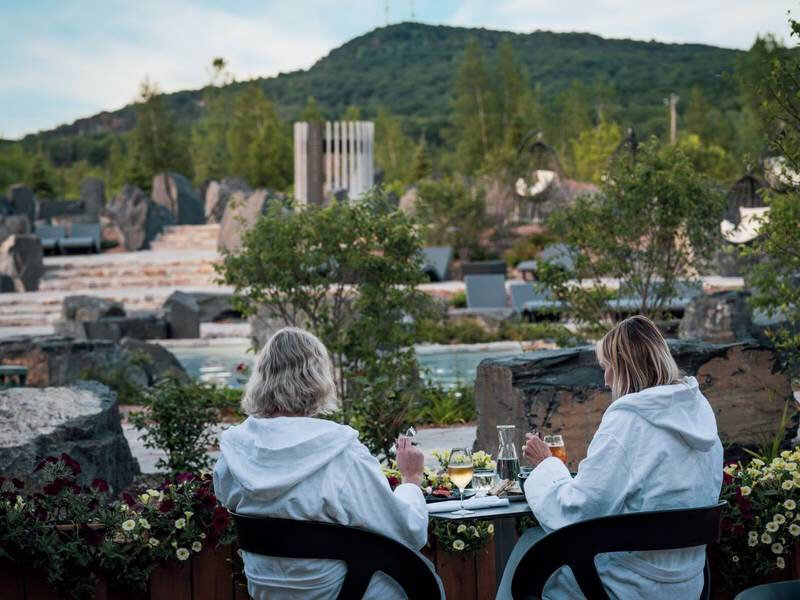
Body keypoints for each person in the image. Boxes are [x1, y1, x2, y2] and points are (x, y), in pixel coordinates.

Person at [498, 315, 723, 599]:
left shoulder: (628, 422)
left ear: (625, 367)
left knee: (530, 543)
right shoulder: (700, 419)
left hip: (628, 587)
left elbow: (577, 511)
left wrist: (546, 465)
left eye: (607, 367)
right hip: (687, 585)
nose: (605, 380)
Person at [213, 327, 431, 600]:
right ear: (318, 378)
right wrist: (411, 479)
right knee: (423, 579)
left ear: (261, 377)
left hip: (270, 593)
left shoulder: (234, 451)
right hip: (346, 593)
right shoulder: (341, 451)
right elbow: (408, 532)